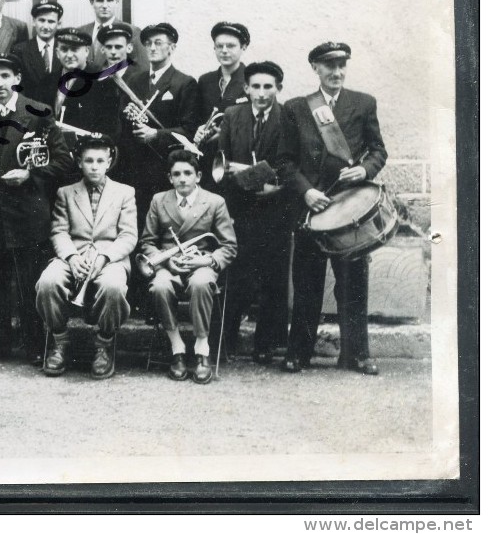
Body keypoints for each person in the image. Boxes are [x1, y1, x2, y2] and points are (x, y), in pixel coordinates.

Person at [276, 42, 388, 375]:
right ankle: (299, 353)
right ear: (316, 69)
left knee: (353, 284)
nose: (336, 72)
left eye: (341, 66)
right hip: (313, 209)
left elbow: (378, 151)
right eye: (329, 66)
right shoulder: (296, 108)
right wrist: (306, 192)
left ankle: (356, 354)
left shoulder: (363, 103)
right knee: (307, 285)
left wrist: (365, 170)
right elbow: (283, 161)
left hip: (349, 211)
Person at [0, 53, 71, 365]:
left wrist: (30, 174)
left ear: (17, 79)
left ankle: (35, 344)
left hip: (28, 211)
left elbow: (62, 160)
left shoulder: (38, 112)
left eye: (5, 76)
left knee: (29, 281)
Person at [210, 61, 297, 364]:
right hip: (240, 209)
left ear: (278, 89)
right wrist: (242, 180)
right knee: (237, 276)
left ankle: (266, 344)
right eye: (256, 87)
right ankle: (225, 342)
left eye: (268, 87)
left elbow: (292, 164)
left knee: (274, 280)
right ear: (245, 88)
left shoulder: (289, 117)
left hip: (276, 210)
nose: (261, 93)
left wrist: (278, 187)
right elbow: (221, 164)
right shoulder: (232, 116)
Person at [36, 134, 137, 379]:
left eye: (100, 161)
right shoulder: (66, 193)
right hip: (74, 256)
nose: (94, 166)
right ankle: (59, 341)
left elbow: (129, 236)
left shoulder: (125, 192)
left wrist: (104, 257)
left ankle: (104, 344)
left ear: (109, 162)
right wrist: (71, 257)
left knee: (113, 286)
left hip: (108, 258)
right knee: (48, 283)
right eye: (89, 160)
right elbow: (59, 231)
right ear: (79, 162)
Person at [139, 149, 237, 385]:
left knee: (202, 282)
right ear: (169, 178)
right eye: (176, 174)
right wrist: (165, 260)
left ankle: (202, 349)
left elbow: (228, 246)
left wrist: (206, 260)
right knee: (160, 286)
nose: (182, 178)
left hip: (200, 262)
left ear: (198, 176)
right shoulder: (158, 200)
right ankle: (177, 348)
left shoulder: (215, 202)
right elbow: (147, 243)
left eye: (187, 173)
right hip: (167, 263)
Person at [116, 23, 200, 223]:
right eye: (148, 43)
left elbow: (189, 129)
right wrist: (128, 115)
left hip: (164, 166)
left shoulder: (184, 83)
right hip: (135, 166)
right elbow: (122, 123)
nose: (152, 48)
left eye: (158, 43)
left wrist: (155, 134)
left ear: (171, 47)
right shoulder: (134, 80)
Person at [194, 21, 251, 189]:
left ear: (244, 47)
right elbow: (199, 117)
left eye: (231, 46)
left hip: (237, 160)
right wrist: (199, 131)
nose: (224, 50)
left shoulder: (252, 81)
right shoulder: (205, 80)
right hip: (208, 160)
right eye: (219, 46)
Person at [46, 27, 120, 144]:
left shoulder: (103, 82)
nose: (69, 55)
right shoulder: (47, 81)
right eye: (64, 49)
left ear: (86, 51)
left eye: (75, 49)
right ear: (57, 53)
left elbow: (109, 128)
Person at [9, 0, 64, 106]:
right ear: (34, 21)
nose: (46, 26)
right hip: (30, 110)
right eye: (41, 20)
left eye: (51, 21)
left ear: (59, 24)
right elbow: (17, 86)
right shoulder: (20, 50)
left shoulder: (65, 49)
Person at [78, 0, 143, 69]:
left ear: (117, 1)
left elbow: (141, 69)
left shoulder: (132, 31)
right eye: (100, 0)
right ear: (92, 2)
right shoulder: (81, 32)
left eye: (109, 0)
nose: (105, 5)